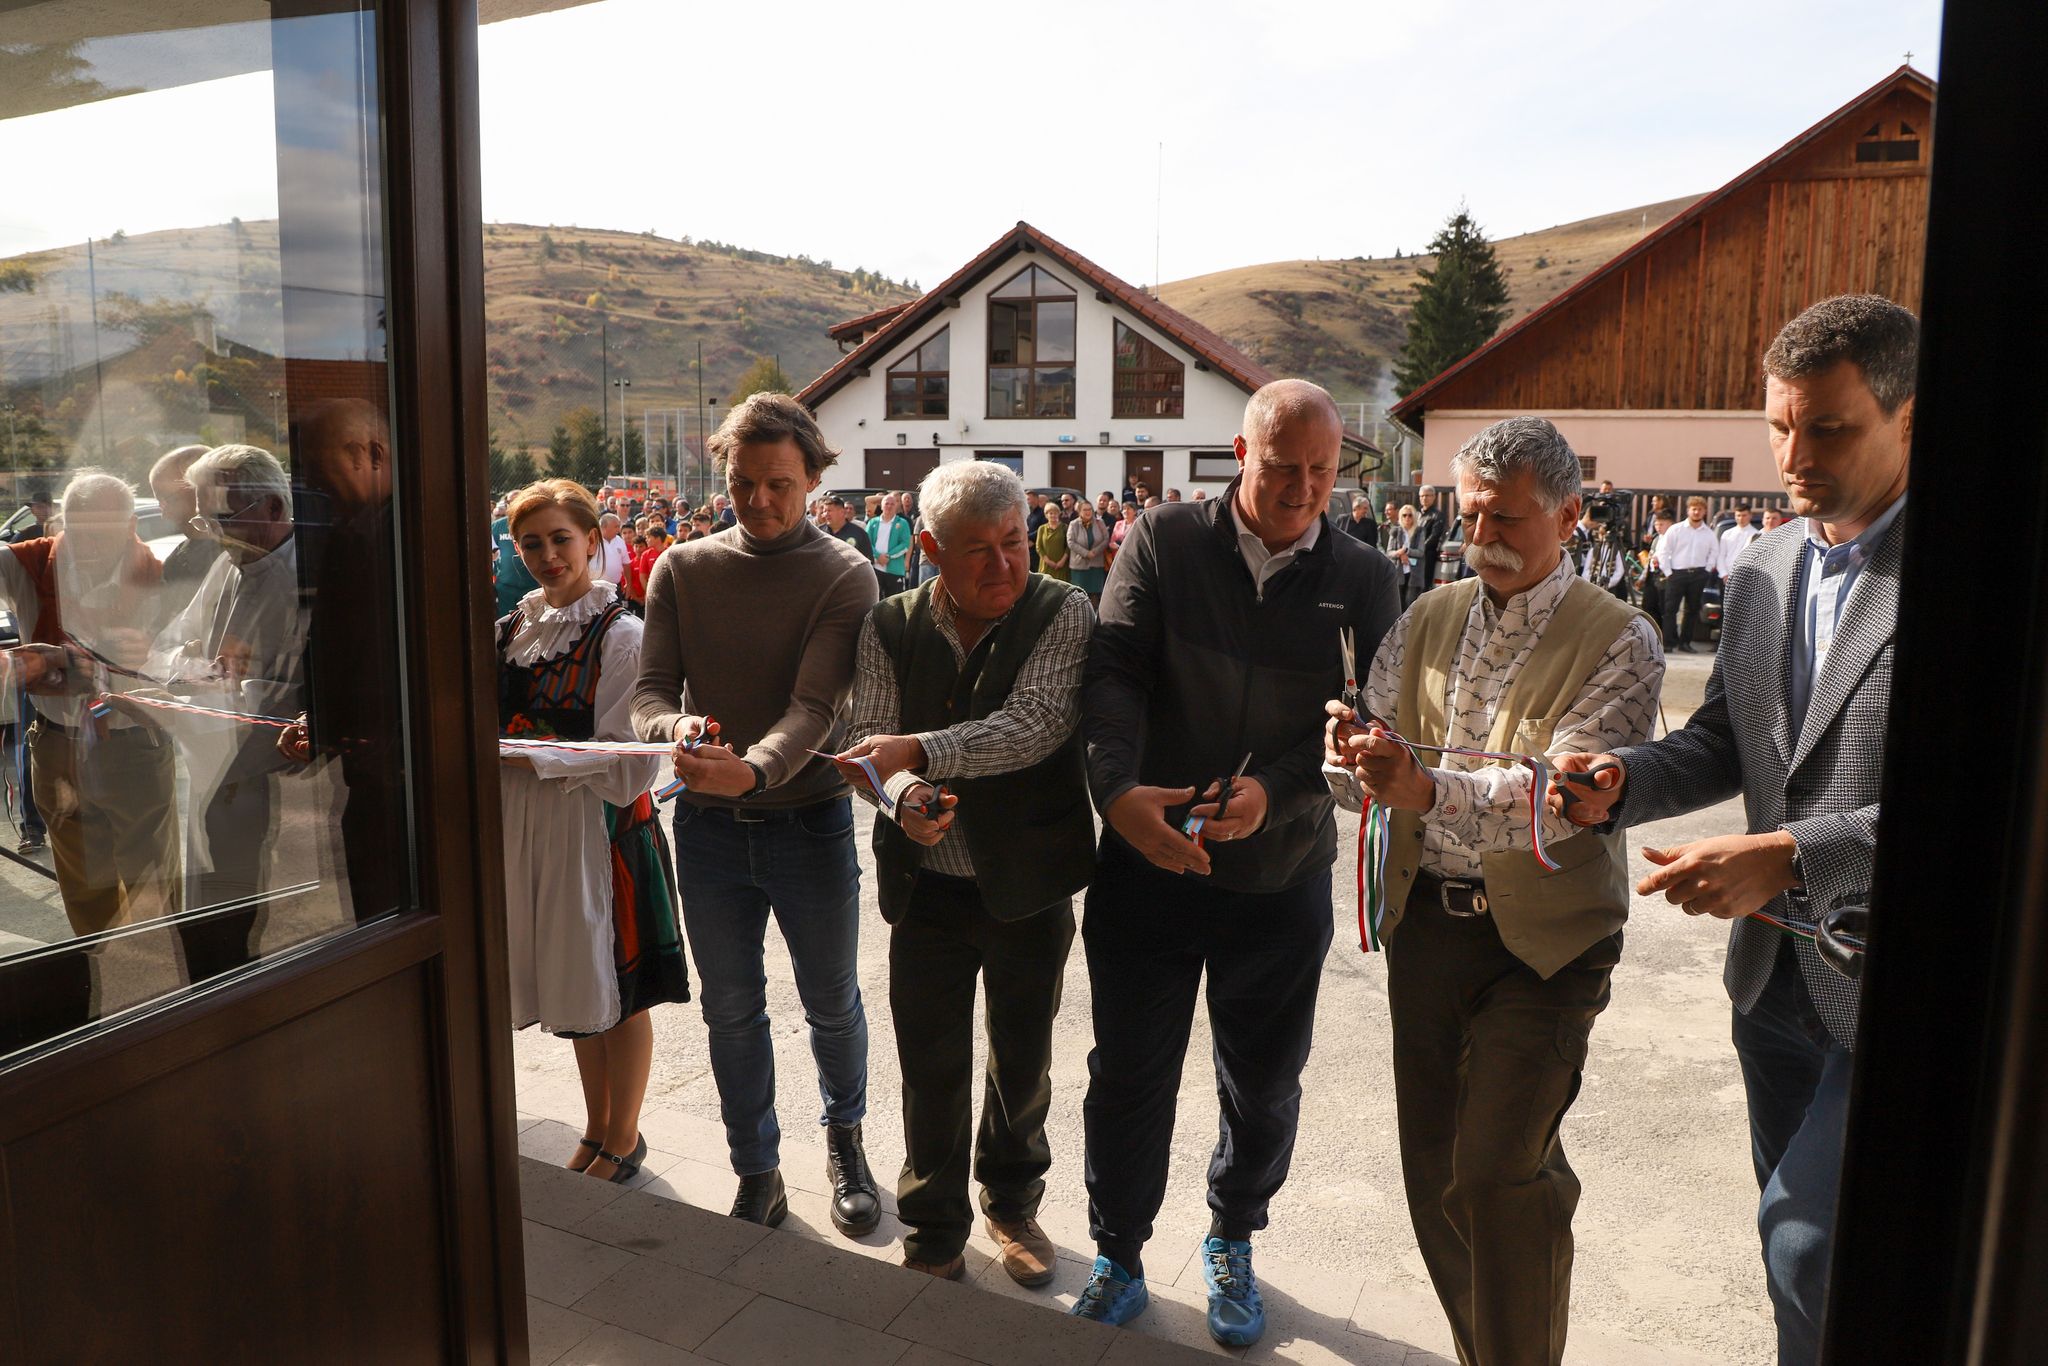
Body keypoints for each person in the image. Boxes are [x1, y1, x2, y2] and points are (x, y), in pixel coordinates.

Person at [1551, 294, 1914, 1366]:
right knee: (1797, 1264)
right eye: (1778, 427)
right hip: (1772, 982)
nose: (1793, 458)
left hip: (1888, 986)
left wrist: (1787, 856)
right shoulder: (1761, 566)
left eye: (1828, 429)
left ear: (1908, 416)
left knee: (1806, 1246)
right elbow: (1725, 738)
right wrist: (1619, 782)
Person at [1326, 416, 1663, 1366]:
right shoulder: (1426, 616)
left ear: (1569, 514)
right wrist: (1350, 758)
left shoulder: (1624, 637)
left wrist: (1425, 787)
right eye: (1471, 513)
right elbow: (1365, 771)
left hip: (1548, 945)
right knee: (1436, 1175)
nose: (1483, 535)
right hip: (1428, 928)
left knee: (1497, 1174)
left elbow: (1564, 800)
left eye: (1507, 518)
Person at [1072, 379, 1400, 1346]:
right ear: (1239, 453)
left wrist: (1277, 793)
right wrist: (1115, 792)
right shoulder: (1164, 540)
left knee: (1264, 1086)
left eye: (1322, 471)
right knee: (1129, 1075)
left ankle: (1233, 1235)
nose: (1303, 489)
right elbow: (1114, 672)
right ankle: (1118, 1251)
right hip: (1149, 865)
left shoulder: (1365, 575)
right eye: (1282, 467)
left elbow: (1366, 721)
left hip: (1279, 878)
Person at [836, 459, 1094, 1285]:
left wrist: (917, 753)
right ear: (929, 548)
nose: (1003, 564)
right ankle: (934, 1227)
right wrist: (904, 798)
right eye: (977, 549)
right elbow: (870, 745)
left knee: (1022, 1061)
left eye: (1013, 541)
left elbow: (1036, 725)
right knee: (930, 1067)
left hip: (1029, 885)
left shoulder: (1064, 608)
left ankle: (1012, 1204)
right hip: (928, 889)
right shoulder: (889, 623)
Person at [631, 392, 882, 1234]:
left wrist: (755, 771)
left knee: (831, 1003)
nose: (759, 500)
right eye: (742, 483)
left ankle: (845, 1142)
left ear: (813, 480)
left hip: (809, 822)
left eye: (779, 484)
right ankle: (756, 1168)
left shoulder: (844, 573)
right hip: (706, 829)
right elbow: (650, 694)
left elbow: (816, 706)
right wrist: (678, 730)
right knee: (730, 1010)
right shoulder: (681, 567)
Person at [498, 478, 688, 1184]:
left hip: (597, 829)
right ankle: (597, 1125)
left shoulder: (621, 636)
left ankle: (624, 1136)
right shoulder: (511, 631)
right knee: (576, 984)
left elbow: (631, 763)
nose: (548, 556)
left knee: (616, 988)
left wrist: (528, 756)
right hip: (534, 828)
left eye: (561, 539)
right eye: (532, 544)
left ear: (591, 540)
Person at [137, 445, 308, 976]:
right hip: (211, 771)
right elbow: (165, 647)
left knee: (271, 932)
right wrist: (193, 670)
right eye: (203, 520)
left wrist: (214, 687)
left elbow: (295, 698)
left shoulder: (310, 575)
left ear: (274, 508)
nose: (212, 533)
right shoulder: (226, 565)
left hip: (281, 789)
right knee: (211, 926)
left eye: (223, 518)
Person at [1, 471, 178, 936]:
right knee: (82, 883)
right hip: (58, 743)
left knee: (153, 879)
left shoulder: (159, 573)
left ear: (130, 525)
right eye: (82, 531)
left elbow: (178, 662)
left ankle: (162, 964)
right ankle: (99, 959)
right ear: (64, 522)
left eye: (107, 531)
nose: (94, 544)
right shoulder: (26, 563)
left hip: (135, 743)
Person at [277, 398, 406, 925]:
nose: (309, 481)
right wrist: (318, 719)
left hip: (402, 771)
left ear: (369, 454)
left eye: (316, 465)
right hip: (367, 766)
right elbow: (335, 644)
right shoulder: (354, 528)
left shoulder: (410, 534)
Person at [149, 444, 227, 593]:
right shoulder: (177, 561)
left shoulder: (246, 555)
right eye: (160, 503)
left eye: (169, 499)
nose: (166, 514)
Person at [1657, 496, 1720, 652]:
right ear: (1688, 510)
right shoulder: (1676, 529)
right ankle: (1668, 643)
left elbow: (1714, 552)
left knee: (1692, 610)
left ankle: (1685, 643)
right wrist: (1668, 572)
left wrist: (1707, 570)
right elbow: (1664, 551)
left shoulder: (1709, 533)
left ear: (1704, 511)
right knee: (1670, 610)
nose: (1696, 512)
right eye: (1694, 509)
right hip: (1677, 574)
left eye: (1700, 509)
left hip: (1698, 574)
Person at [868, 491, 913, 598]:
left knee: (894, 601)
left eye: (892, 504)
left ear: (896, 506)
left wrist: (888, 556)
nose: (889, 506)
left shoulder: (902, 523)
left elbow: (905, 544)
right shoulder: (873, 522)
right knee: (875, 599)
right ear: (881, 506)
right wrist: (878, 556)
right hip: (875, 568)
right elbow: (867, 542)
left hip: (895, 569)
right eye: (886, 503)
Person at [1066, 499, 1110, 604]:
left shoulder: (1100, 523)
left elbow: (1106, 539)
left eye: (1090, 509)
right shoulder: (1074, 524)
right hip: (1079, 566)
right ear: (1079, 511)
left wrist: (1095, 551)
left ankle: (1094, 614)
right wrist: (1086, 553)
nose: (1088, 512)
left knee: (1095, 595)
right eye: (1085, 510)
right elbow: (1070, 542)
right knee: (1079, 595)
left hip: (1096, 564)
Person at [1415, 484, 1448, 591]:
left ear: (1434, 497)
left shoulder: (1437, 515)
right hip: (1414, 554)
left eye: (1427, 495)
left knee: (1425, 584)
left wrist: (1420, 549)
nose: (1424, 498)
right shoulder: (1416, 514)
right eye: (1422, 496)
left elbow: (1434, 536)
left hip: (1428, 555)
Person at [1717, 504, 1763, 578]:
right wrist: (1724, 574)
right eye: (1738, 515)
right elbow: (1721, 555)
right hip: (1726, 574)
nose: (1741, 518)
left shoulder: (1756, 535)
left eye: (1744, 515)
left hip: (1745, 575)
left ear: (1750, 516)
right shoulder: (1727, 533)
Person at [823, 496, 873, 560]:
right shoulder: (819, 532)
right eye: (824, 511)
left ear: (842, 512)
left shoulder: (859, 533)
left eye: (829, 511)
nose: (826, 514)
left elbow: (867, 560)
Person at [1034, 501, 1069, 583]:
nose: (1053, 515)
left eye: (1055, 513)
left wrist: (1062, 561)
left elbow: (1068, 546)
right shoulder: (1042, 528)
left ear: (1059, 514)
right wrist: (1048, 561)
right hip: (1046, 565)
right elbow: (1038, 547)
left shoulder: (1065, 527)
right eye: (1051, 513)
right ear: (1046, 515)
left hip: (1061, 565)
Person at [593, 512, 631, 586]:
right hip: (596, 587)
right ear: (604, 527)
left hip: (616, 587)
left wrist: (628, 584)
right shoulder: (592, 541)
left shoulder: (620, 541)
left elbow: (626, 564)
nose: (619, 530)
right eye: (616, 526)